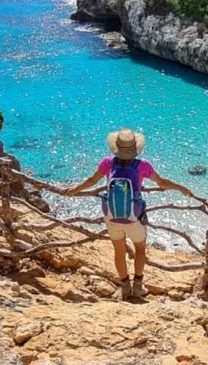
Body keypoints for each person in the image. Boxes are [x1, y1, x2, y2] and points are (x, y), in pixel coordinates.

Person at [66, 128, 193, 299]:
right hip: (134, 216)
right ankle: (138, 287)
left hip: (112, 215)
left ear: (116, 147)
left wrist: (74, 190)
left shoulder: (107, 163)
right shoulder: (142, 166)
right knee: (140, 249)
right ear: (135, 148)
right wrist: (182, 188)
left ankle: (125, 288)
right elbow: (162, 182)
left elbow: (91, 180)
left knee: (119, 252)